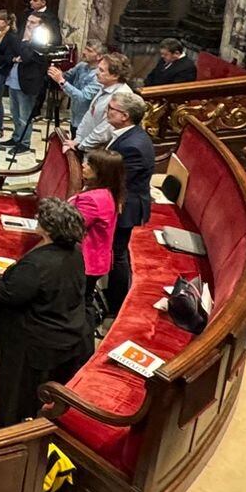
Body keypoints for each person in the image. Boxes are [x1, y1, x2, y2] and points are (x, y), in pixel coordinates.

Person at [0, 197, 95, 426]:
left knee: (17, 392)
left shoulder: (37, 264)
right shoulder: (75, 253)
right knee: (40, 394)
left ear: (48, 229)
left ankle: (9, 431)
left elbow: (10, 294)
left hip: (35, 342)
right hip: (67, 333)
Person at [105, 91, 156, 314]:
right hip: (123, 200)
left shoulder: (133, 145)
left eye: (111, 109)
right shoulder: (127, 134)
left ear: (124, 115)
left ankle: (116, 303)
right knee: (116, 251)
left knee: (118, 253)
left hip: (126, 205)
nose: (107, 111)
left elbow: (121, 180)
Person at [69, 146, 123, 327]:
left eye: (89, 164)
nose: (83, 165)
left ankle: (81, 335)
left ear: (101, 172)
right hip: (96, 258)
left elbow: (71, 226)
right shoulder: (108, 192)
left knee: (80, 302)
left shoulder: (93, 199)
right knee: (84, 298)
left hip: (86, 259)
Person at [0, 9, 56, 157]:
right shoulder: (23, 35)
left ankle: (24, 143)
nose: (29, 24)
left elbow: (27, 57)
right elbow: (13, 52)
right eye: (28, 21)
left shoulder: (41, 39)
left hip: (28, 81)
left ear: (41, 25)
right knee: (15, 113)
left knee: (25, 116)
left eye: (33, 22)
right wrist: (20, 51)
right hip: (14, 78)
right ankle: (16, 137)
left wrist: (24, 43)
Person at [67, 52, 135, 151]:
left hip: (99, 152)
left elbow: (104, 131)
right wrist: (78, 139)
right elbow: (90, 115)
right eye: (98, 68)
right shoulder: (104, 86)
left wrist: (81, 145)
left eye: (102, 70)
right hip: (86, 146)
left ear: (115, 75)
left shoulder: (121, 96)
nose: (97, 73)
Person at [55, 40, 106, 130]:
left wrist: (61, 80)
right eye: (85, 49)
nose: (84, 52)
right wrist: (58, 71)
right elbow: (67, 77)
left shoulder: (99, 76)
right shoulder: (81, 66)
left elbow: (83, 97)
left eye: (89, 51)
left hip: (86, 123)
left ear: (99, 56)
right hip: (74, 117)